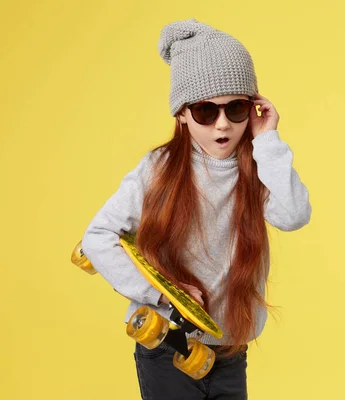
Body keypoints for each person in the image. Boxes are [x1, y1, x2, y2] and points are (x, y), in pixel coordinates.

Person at [80, 18, 311, 399]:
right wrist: (165, 294)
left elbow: (294, 215)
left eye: (235, 108)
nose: (223, 124)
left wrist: (267, 140)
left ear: (253, 109)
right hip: (166, 343)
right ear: (182, 115)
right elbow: (98, 237)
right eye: (206, 111)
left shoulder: (257, 169)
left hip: (229, 348)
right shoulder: (158, 170)